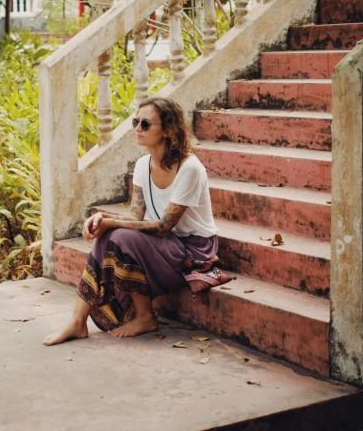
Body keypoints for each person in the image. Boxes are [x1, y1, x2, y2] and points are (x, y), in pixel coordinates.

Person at [43, 96, 230, 346]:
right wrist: (104, 218)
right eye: (135, 122)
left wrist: (111, 223)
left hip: (193, 250)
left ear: (167, 130)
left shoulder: (190, 168)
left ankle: (145, 317)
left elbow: (163, 227)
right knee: (109, 234)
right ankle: (77, 321)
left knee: (119, 235)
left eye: (145, 124)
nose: (137, 129)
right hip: (164, 246)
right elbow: (135, 218)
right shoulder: (143, 165)